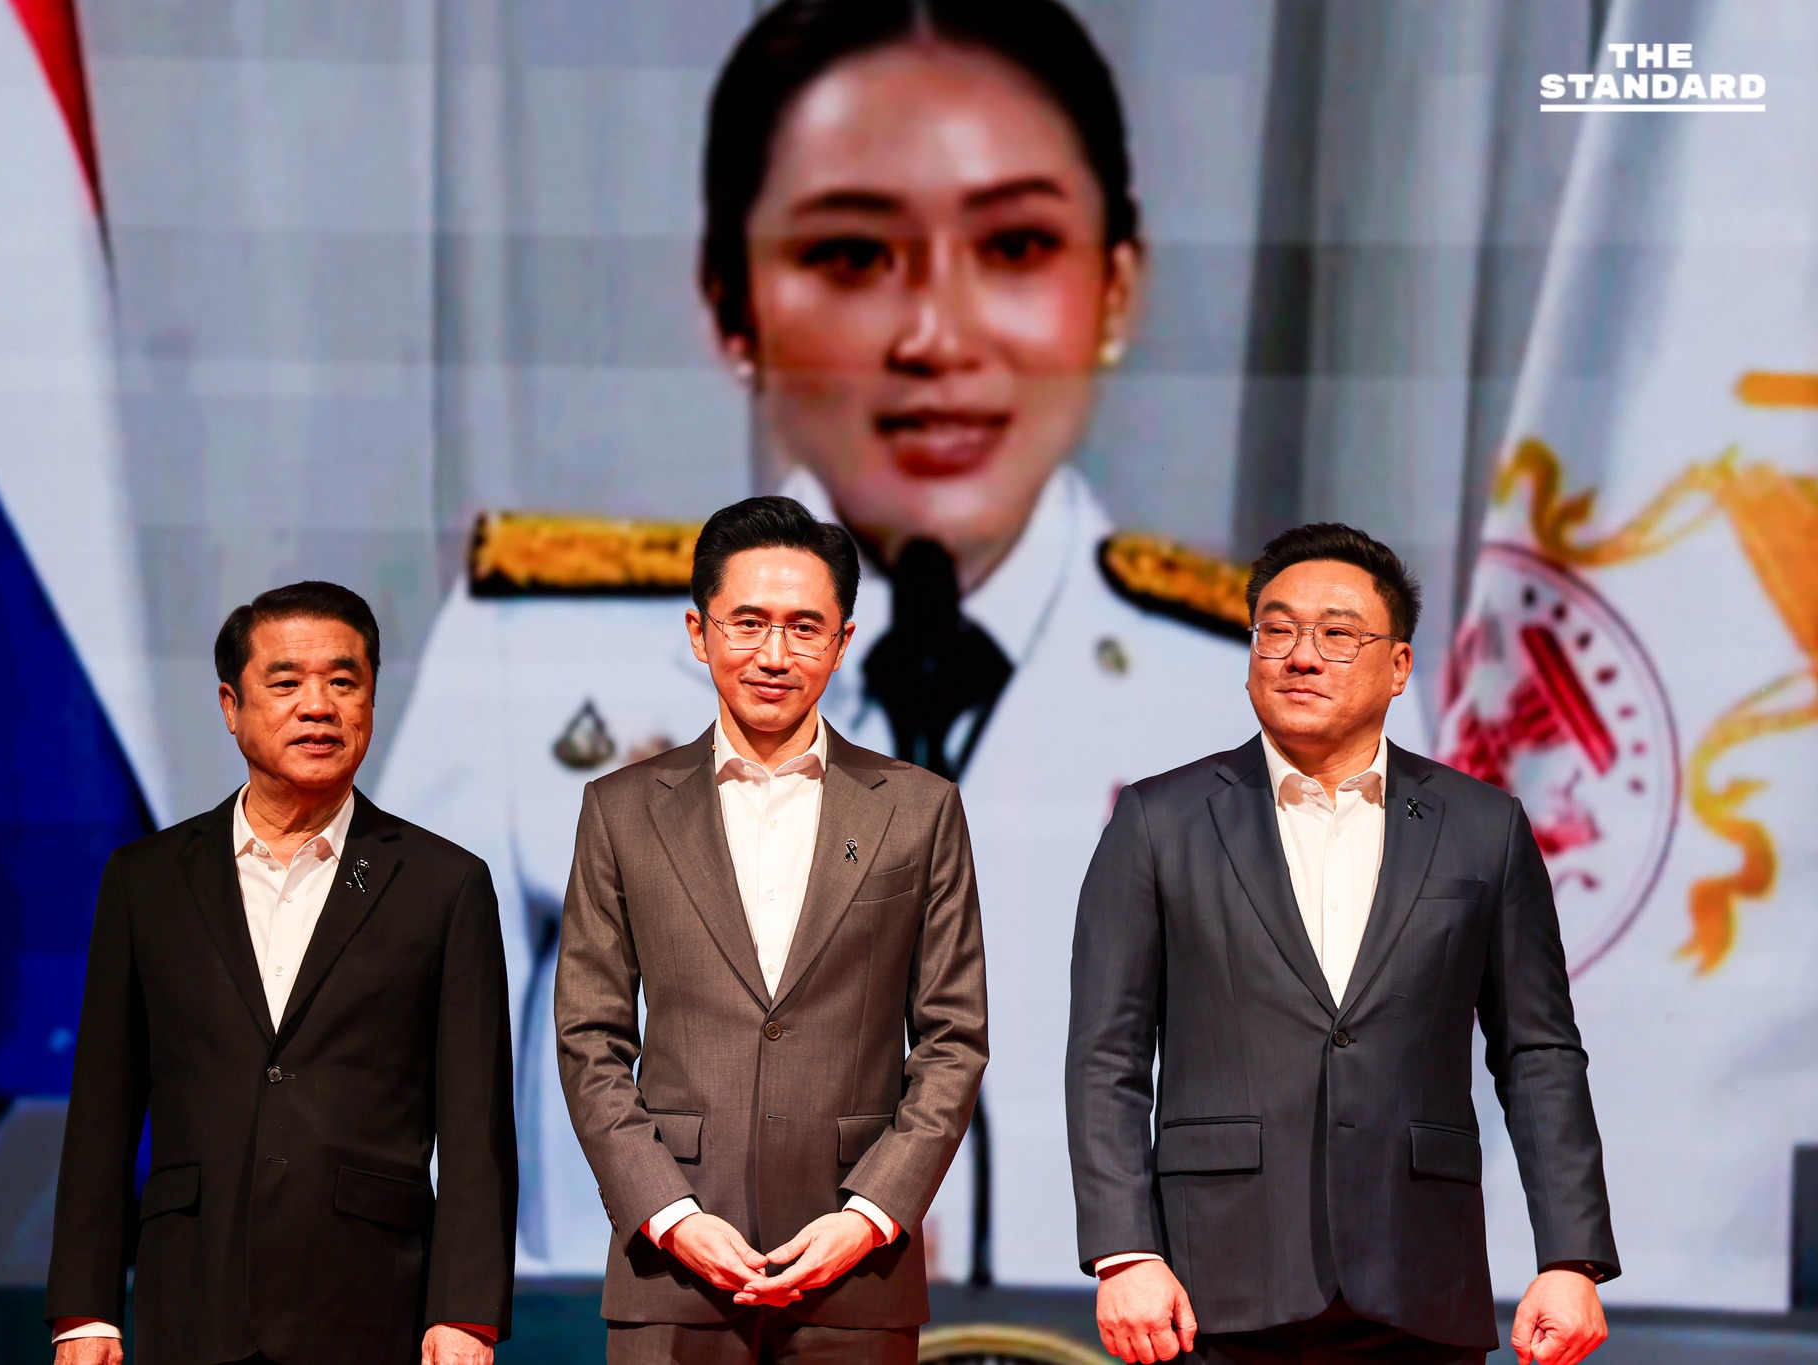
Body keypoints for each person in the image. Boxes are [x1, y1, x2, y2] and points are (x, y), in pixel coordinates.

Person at [382, 0, 1374, 1283]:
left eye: (1015, 246)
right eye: (851, 256)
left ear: (1116, 285)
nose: (936, 339)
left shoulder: (1262, 687)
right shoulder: (536, 658)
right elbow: (398, 1142)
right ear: (730, 302)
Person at [1066, 524, 1619, 1365]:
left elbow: (1538, 1051)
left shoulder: (1483, 827)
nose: (1300, 656)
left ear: (1398, 665)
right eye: (1277, 630)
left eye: (1336, 634)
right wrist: (1124, 1249)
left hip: (1418, 1280)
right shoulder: (1158, 821)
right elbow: (1106, 1053)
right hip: (1209, 1286)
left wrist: (1571, 1257)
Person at [555, 496, 987, 1363]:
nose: (775, 655)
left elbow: (953, 1040)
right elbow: (589, 1038)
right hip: (671, 1272)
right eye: (748, 623)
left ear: (843, 641)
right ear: (699, 631)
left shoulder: (920, 809)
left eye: (804, 627)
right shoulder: (621, 809)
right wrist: (669, 1212)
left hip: (855, 1271)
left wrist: (868, 1215)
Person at [44, 583, 516, 1365]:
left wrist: (466, 1311)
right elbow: (102, 1108)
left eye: (343, 680)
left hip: (372, 1301)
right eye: (287, 681)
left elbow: (477, 1125)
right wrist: (84, 1310)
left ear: (371, 700)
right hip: (192, 1296)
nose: (318, 706)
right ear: (231, 706)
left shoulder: (444, 883)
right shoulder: (147, 879)